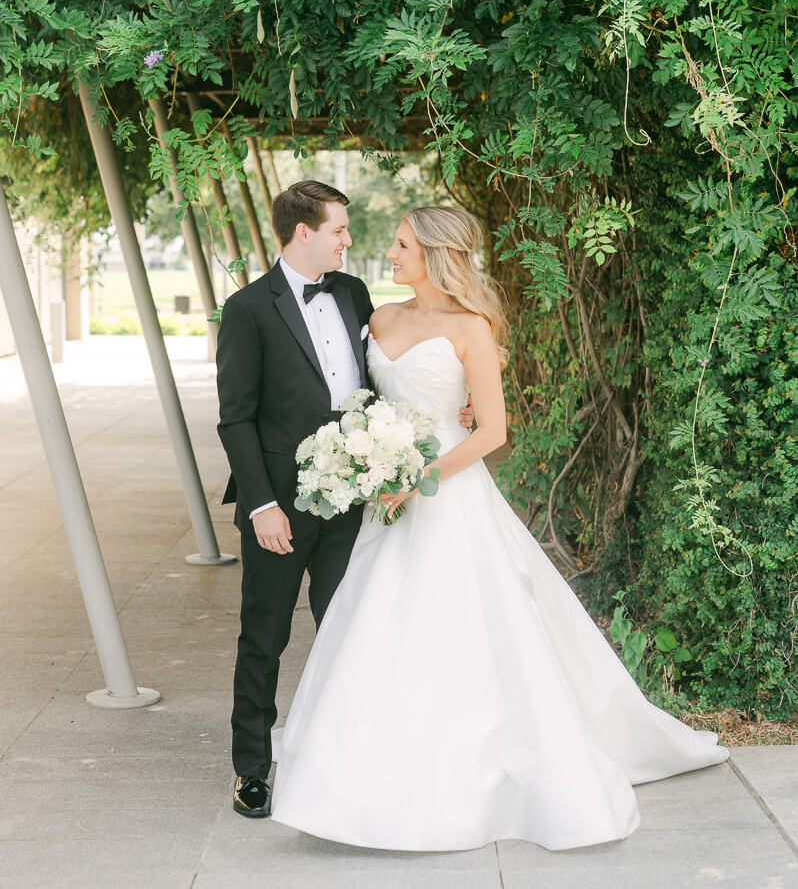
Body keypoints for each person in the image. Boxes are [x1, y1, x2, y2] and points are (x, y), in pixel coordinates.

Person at [270, 205, 729, 852]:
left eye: (402, 245)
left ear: (434, 254)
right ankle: (362, 774)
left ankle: (470, 772)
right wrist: (366, 457)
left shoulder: (472, 328)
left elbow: (492, 430)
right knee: (376, 624)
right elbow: (366, 402)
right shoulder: (381, 317)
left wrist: (420, 475)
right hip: (388, 496)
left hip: (448, 497)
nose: (391, 253)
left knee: (462, 628)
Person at [216, 180, 373, 819]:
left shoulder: (353, 293)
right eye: (339, 229)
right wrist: (261, 506)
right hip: (280, 506)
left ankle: (349, 756)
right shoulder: (248, 309)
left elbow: (377, 378)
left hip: (352, 501)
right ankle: (252, 769)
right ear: (302, 232)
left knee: (351, 630)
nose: (348, 239)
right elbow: (236, 419)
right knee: (265, 636)